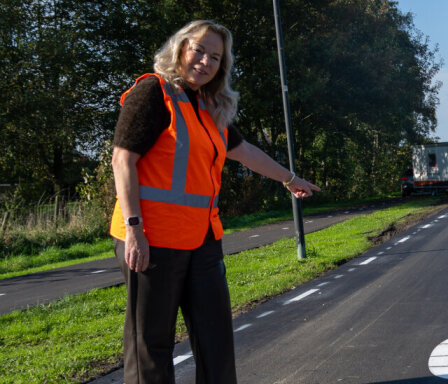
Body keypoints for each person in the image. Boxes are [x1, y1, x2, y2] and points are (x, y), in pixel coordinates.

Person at [110, 20, 320, 384]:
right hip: (152, 240)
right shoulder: (153, 92)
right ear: (180, 49)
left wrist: (289, 179)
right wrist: (133, 230)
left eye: (215, 57)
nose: (205, 61)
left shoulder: (210, 107)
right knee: (151, 344)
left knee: (216, 339)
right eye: (199, 50)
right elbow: (122, 160)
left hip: (202, 240)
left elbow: (245, 152)